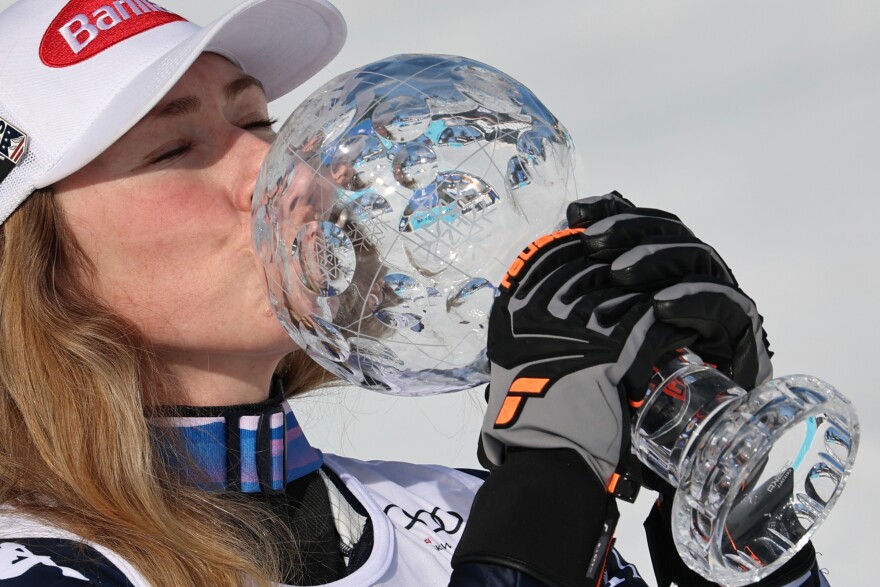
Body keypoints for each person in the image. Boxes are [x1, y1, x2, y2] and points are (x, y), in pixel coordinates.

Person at [0, 1, 831, 586]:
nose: (275, 171)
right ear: (33, 265)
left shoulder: (451, 512)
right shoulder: (39, 561)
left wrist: (723, 507)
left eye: (256, 122)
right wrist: (544, 499)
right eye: (174, 147)